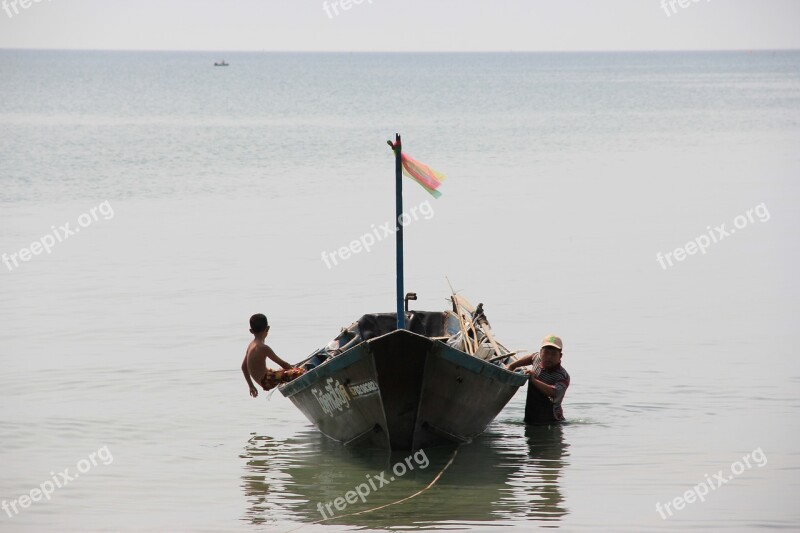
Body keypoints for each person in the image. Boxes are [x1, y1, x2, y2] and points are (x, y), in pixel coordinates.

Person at [507, 334, 570, 424]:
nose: (549, 357)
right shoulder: (538, 359)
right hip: (532, 413)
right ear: (541, 352)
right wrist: (512, 366)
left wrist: (534, 380)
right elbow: (531, 357)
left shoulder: (562, 376)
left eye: (553, 354)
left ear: (560, 356)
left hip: (551, 420)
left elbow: (554, 392)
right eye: (546, 352)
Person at [241, 313, 305, 397]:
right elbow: (283, 364)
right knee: (300, 372)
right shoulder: (263, 348)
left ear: (251, 331)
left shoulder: (251, 345)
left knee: (290, 370)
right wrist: (295, 371)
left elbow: (244, 367)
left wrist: (251, 386)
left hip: (266, 378)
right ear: (267, 328)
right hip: (267, 381)